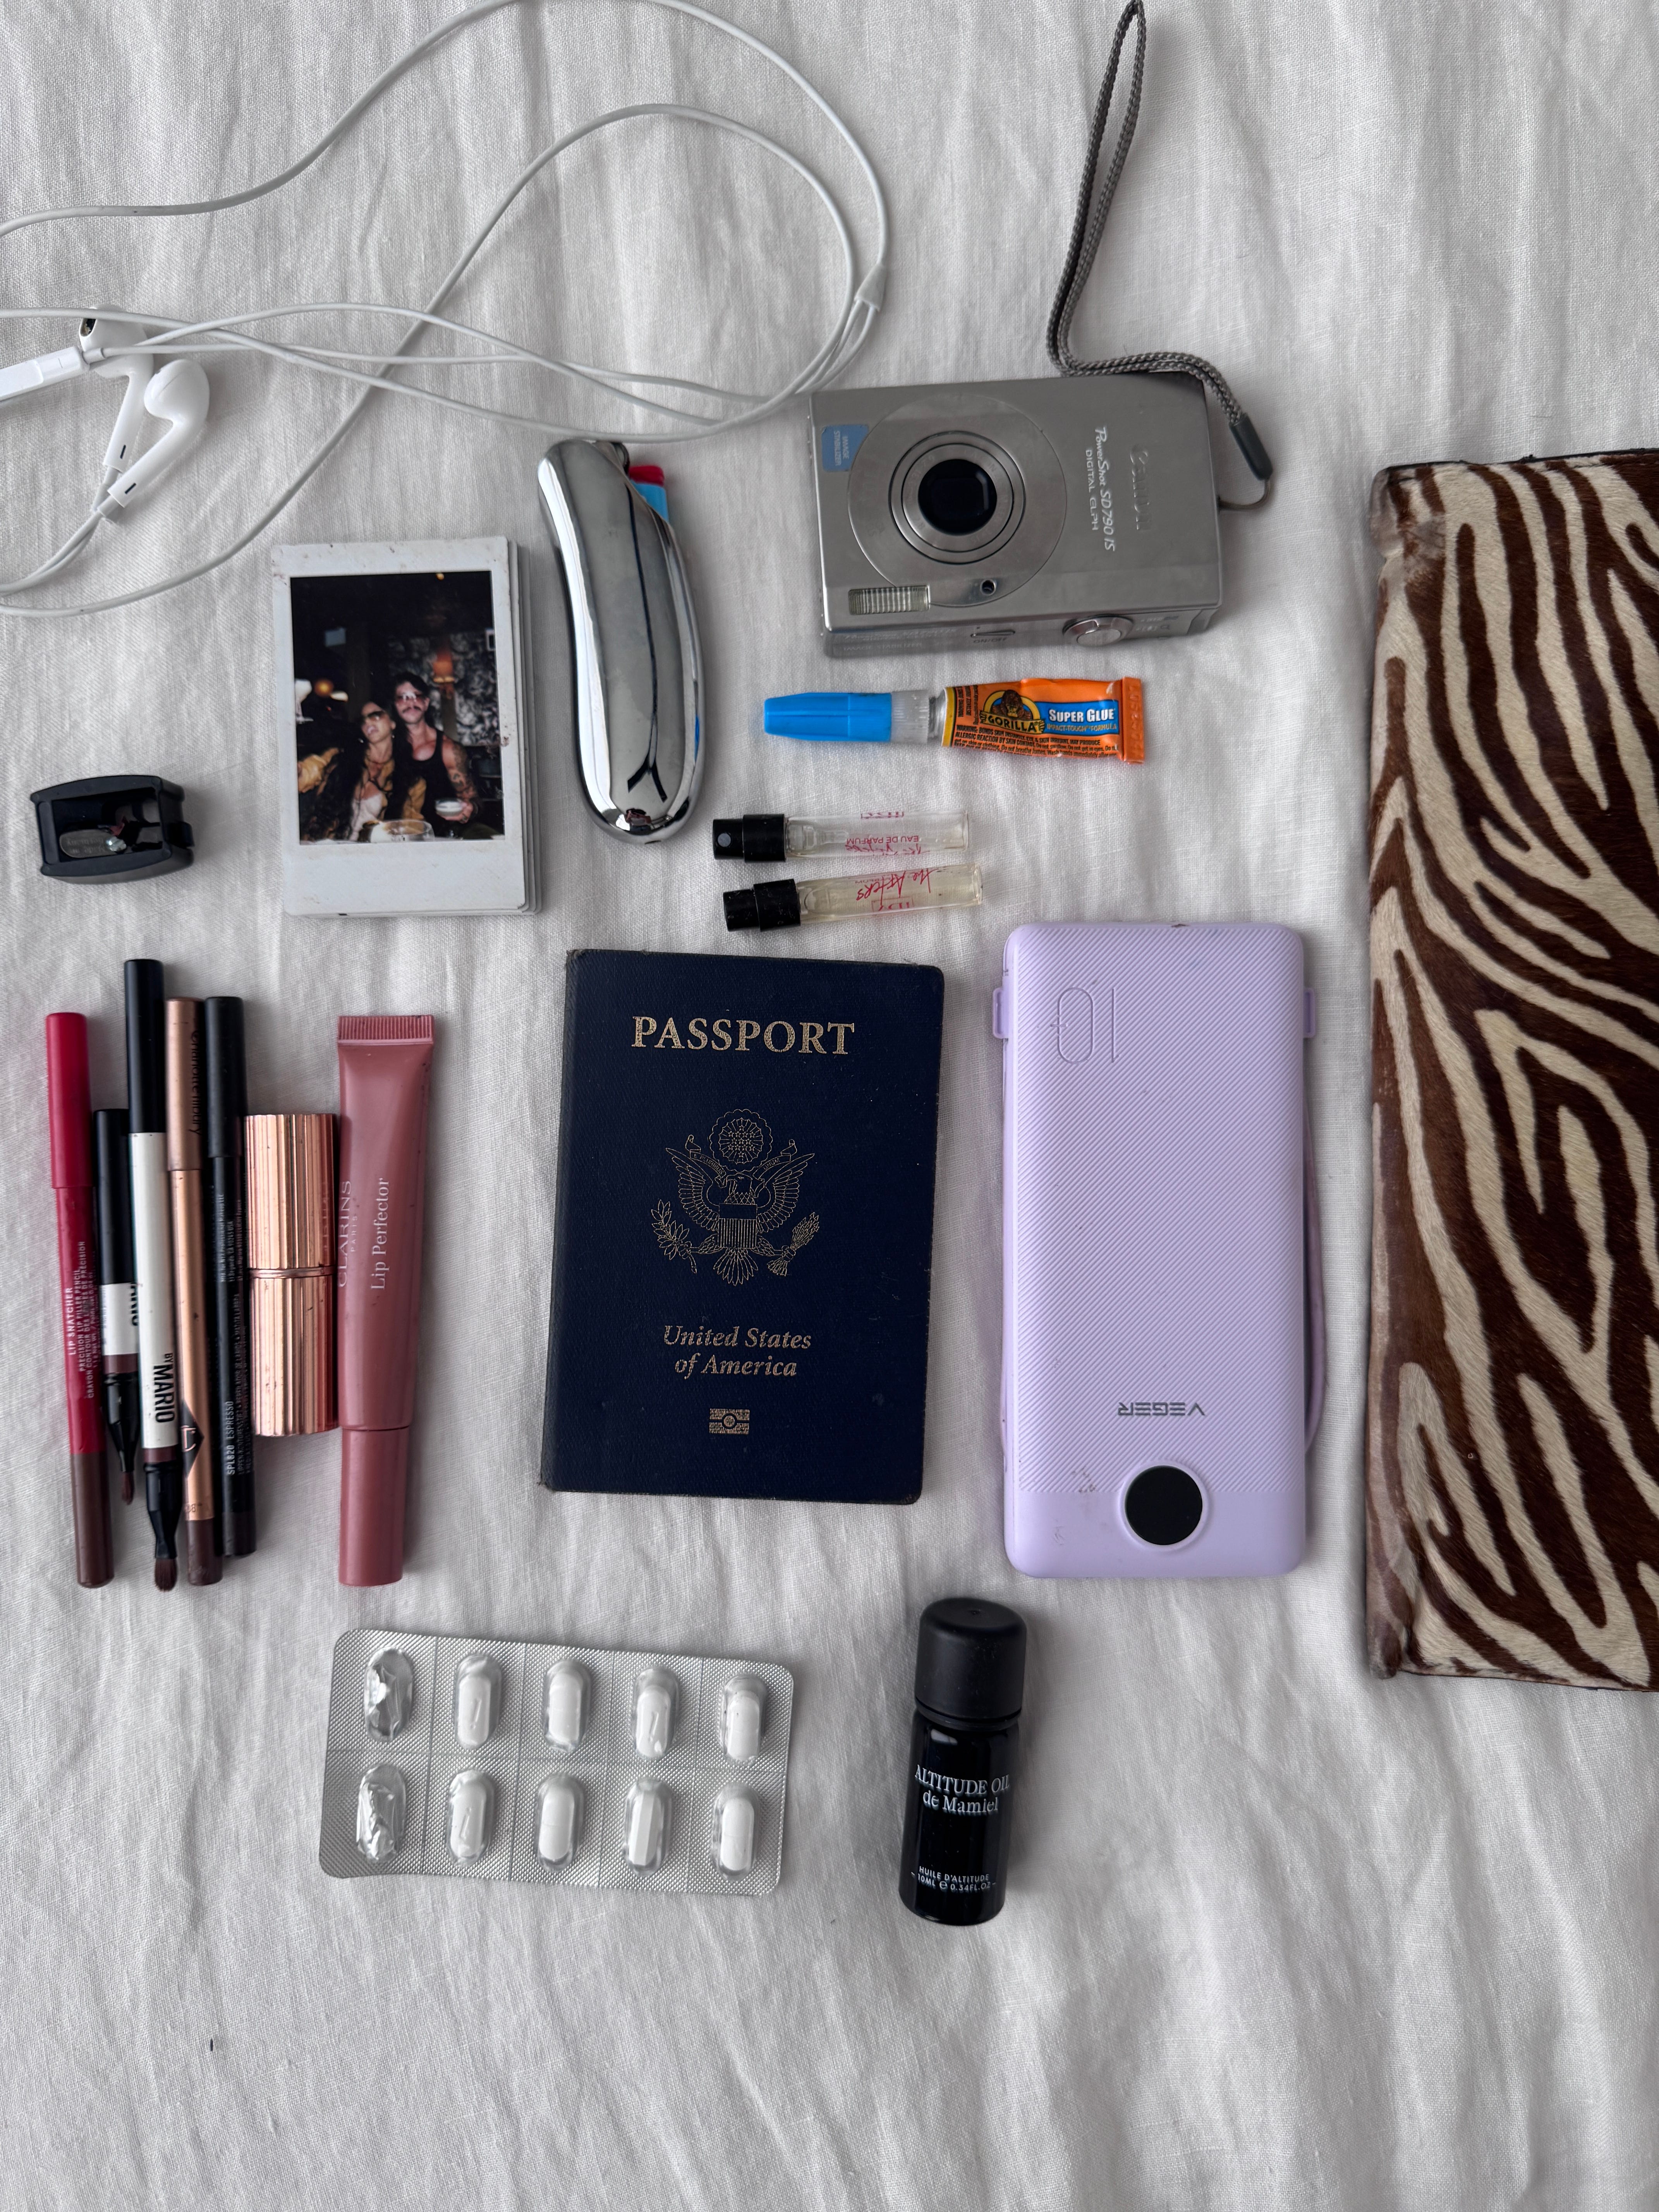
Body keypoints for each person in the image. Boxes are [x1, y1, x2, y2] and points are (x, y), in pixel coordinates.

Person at [297, 700, 427, 842]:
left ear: (393, 723)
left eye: (375, 716)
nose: (368, 723)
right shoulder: (342, 758)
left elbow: (413, 831)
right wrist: (298, 771)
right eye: (363, 720)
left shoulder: (412, 782)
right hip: (326, 847)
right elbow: (310, 770)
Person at [391, 671, 479, 834]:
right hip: (397, 836)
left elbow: (473, 800)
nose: (410, 702)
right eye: (403, 697)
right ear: (395, 706)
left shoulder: (449, 749)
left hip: (438, 838)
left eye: (416, 696)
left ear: (426, 703)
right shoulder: (389, 747)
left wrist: (468, 810)